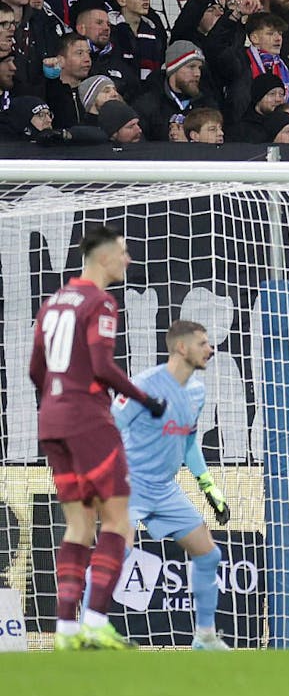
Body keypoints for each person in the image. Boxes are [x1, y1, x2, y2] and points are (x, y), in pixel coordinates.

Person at [31, 225, 167, 651]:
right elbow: (102, 365)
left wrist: (57, 403)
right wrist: (146, 399)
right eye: (123, 253)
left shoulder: (52, 303)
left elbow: (37, 368)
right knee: (118, 522)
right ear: (103, 257)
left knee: (78, 525)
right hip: (88, 420)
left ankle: (65, 632)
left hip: (51, 421)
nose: (128, 260)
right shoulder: (100, 302)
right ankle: (95, 620)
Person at [111, 321, 232, 651]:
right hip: (130, 483)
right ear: (182, 348)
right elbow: (108, 429)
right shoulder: (142, 387)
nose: (211, 349)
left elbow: (189, 441)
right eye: (204, 343)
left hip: (165, 489)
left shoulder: (197, 391)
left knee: (208, 554)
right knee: (115, 554)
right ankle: (85, 630)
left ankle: (205, 637)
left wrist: (208, 487)